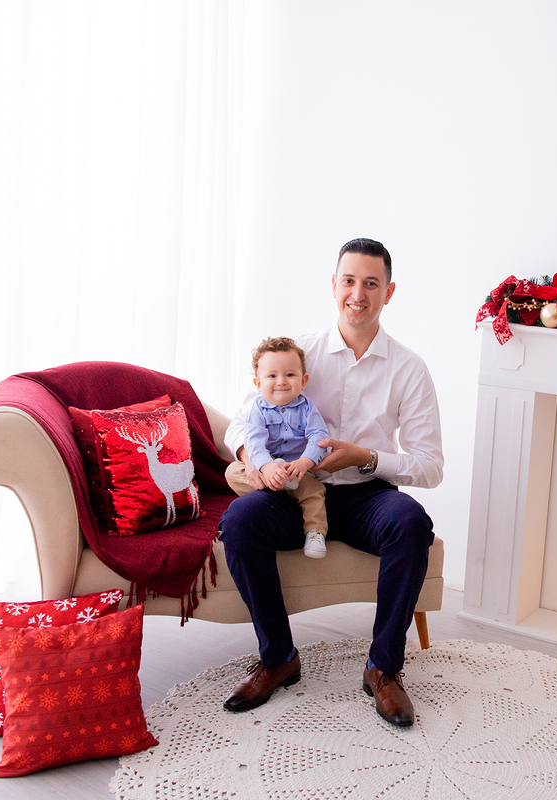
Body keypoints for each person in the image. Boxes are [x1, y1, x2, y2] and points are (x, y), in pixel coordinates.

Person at [218, 238, 444, 728]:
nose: (357, 294)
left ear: (389, 292)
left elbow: (430, 466)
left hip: (366, 495)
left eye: (371, 283)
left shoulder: (409, 368)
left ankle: (384, 669)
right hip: (295, 491)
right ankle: (278, 657)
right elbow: (242, 420)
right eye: (349, 281)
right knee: (239, 520)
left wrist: (366, 456)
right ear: (334, 286)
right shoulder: (301, 353)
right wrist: (247, 458)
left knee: (410, 522)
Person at [231, 336, 330, 559]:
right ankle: (274, 488)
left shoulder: (307, 408)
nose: (281, 381)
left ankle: (315, 533)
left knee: (314, 493)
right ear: (258, 384)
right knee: (232, 472)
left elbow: (319, 436)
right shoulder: (256, 409)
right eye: (272, 376)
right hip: (267, 467)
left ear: (303, 381)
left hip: (297, 470)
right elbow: (253, 441)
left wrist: (305, 462)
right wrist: (266, 467)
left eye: (290, 375)